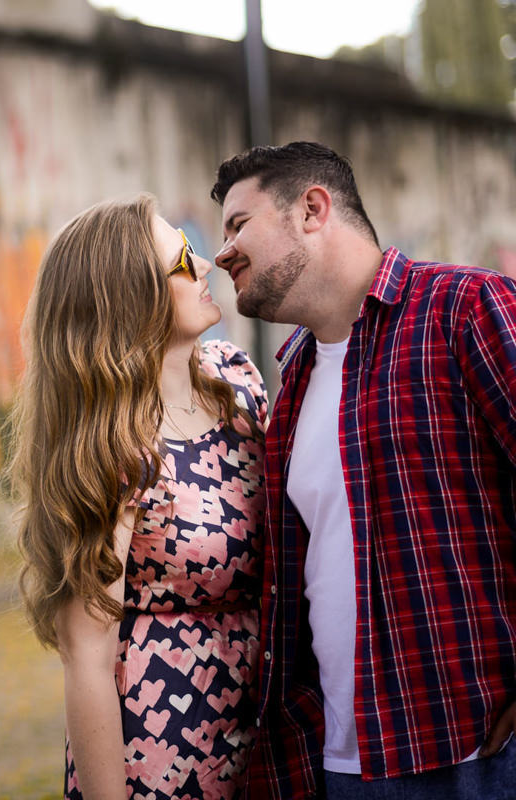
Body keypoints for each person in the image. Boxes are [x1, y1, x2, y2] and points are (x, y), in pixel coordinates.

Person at [210, 141, 516, 799]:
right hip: (339, 766)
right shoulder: (291, 378)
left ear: (312, 209)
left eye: (238, 224)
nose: (221, 251)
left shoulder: (465, 308)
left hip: (477, 757)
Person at [8, 194, 270, 799]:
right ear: (131, 297)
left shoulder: (239, 383)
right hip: (163, 755)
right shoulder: (117, 447)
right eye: (181, 261)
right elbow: (86, 656)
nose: (205, 266)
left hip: (267, 743)